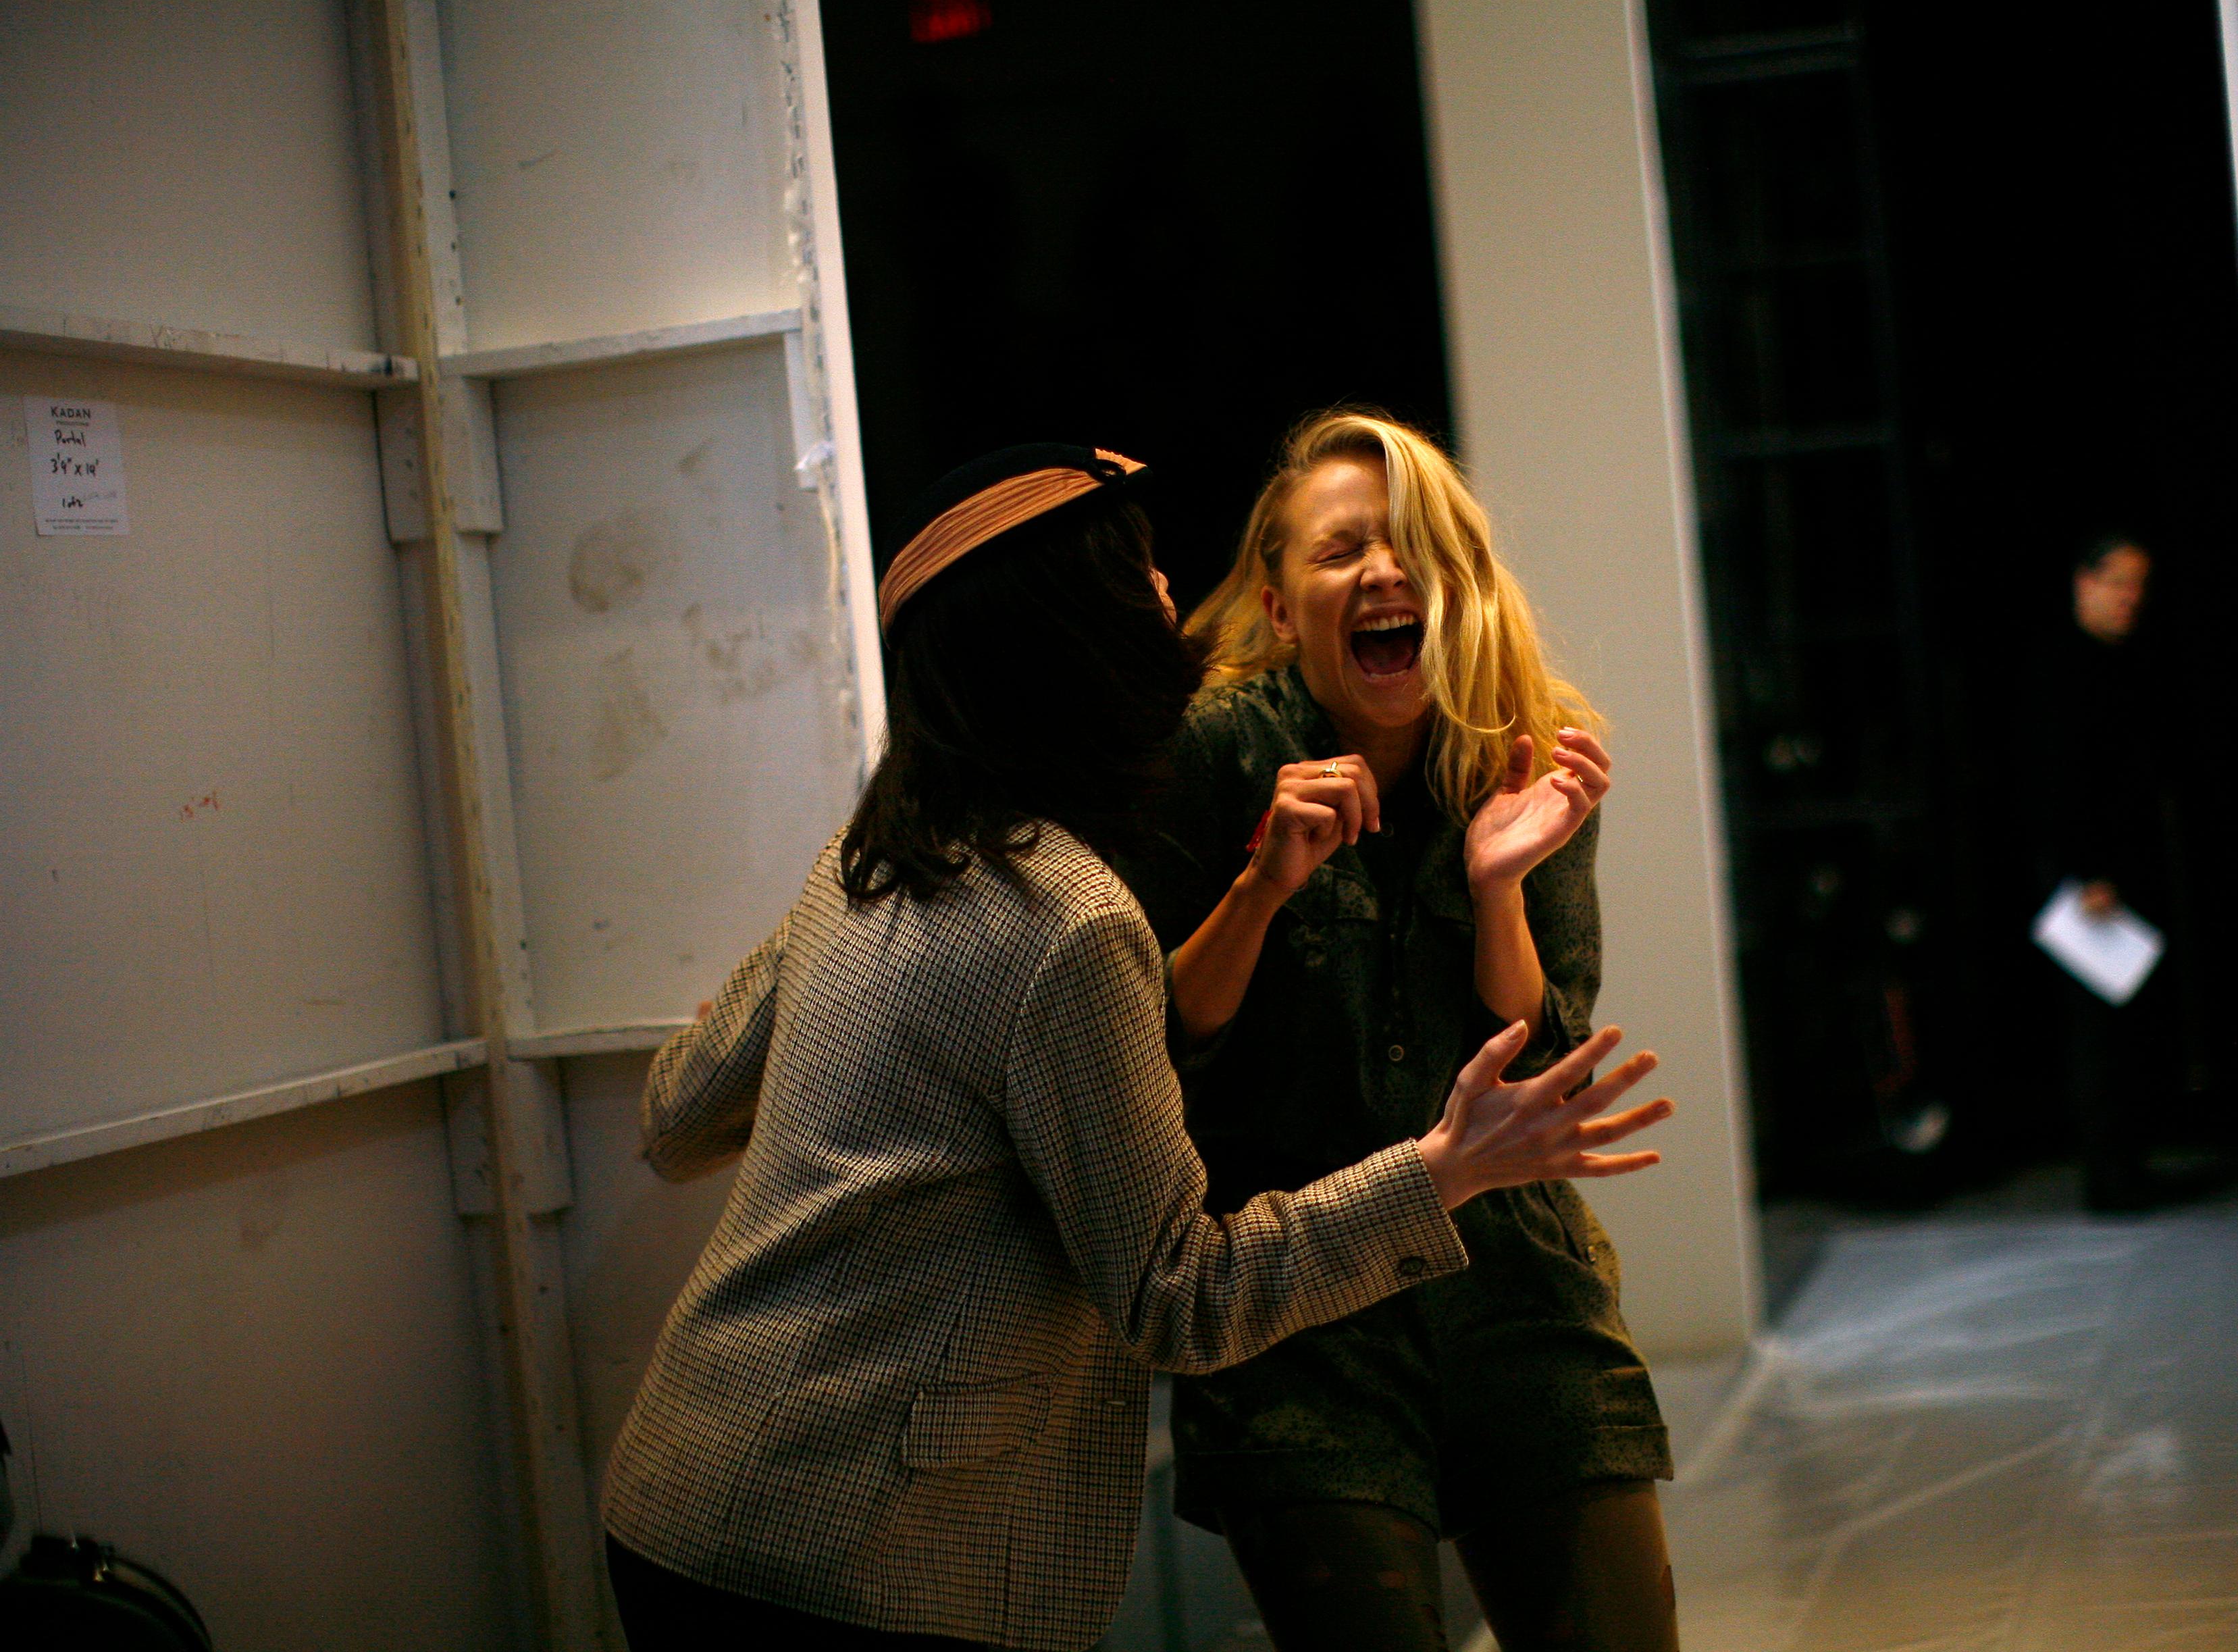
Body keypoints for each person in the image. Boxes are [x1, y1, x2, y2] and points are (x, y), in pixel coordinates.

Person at [596, 445, 1673, 1652]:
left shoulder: (870, 861)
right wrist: (1443, 1171)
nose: (1177, 608)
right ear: (1079, 646)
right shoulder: (1073, 923)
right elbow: (1179, 1295)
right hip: (860, 1559)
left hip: (682, 1502)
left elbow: (677, 1112)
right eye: (1144, 584)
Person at [1117, 411, 1680, 1652]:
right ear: (1278, 608)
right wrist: (1260, 887)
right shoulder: (1216, 755)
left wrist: (1496, 889)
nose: (1383, 572)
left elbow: (1536, 1069)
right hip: (1300, 1314)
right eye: (1341, 552)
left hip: (1515, 1287)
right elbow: (1158, 1046)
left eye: (1414, 544)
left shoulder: (1524, 751)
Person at [2027, 532, 2194, 1212]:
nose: (2131, 598)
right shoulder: (2058, 669)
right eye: (2119, 582)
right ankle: (2110, 1174)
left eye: (2138, 585)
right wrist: (2084, 871)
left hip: (2123, 868)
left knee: (2130, 1027)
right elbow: (2053, 782)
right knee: (2099, 1032)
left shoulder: (2121, 663)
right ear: (2084, 583)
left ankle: (2128, 1164)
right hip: (2087, 877)